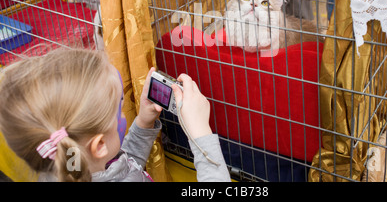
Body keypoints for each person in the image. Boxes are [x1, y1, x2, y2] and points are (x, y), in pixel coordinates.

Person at [0, 48, 230, 182]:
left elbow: (121, 166)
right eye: (119, 110)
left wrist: (143, 122)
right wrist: (200, 135)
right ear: (98, 144)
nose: (122, 116)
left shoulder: (67, 165)